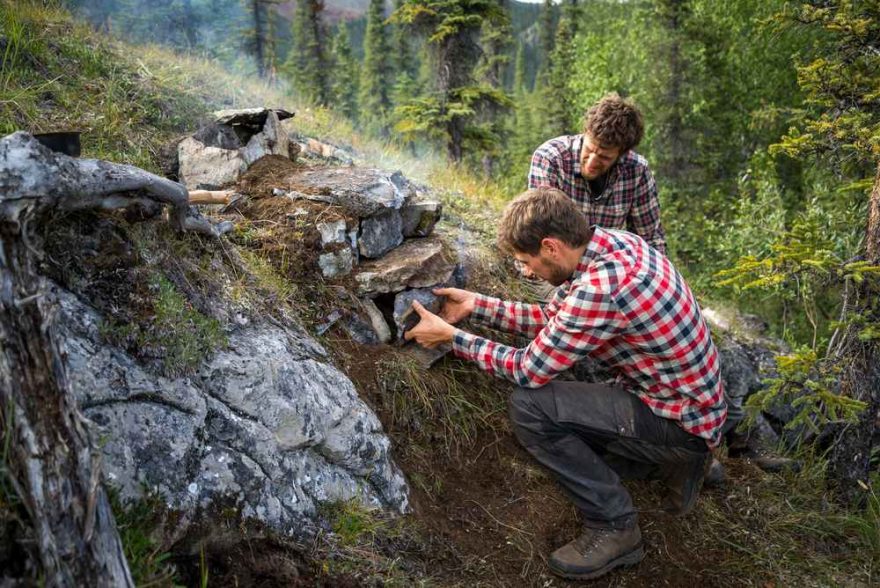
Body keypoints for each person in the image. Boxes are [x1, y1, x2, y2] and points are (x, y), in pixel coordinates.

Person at [404, 187, 726, 581]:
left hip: (678, 422)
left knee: (530, 407)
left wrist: (453, 339)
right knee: (569, 407)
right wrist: (478, 305)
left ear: (551, 247)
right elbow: (559, 320)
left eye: (526, 261)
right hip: (691, 407)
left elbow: (529, 370)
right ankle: (681, 464)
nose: (524, 271)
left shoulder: (603, 288)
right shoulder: (616, 244)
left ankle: (615, 525)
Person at [528, 93, 666, 255]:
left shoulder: (637, 171)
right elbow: (537, 226)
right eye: (589, 149)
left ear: (622, 154)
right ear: (585, 132)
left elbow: (649, 237)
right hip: (556, 260)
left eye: (604, 157)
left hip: (606, 264)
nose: (592, 162)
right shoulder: (550, 158)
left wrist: (659, 274)